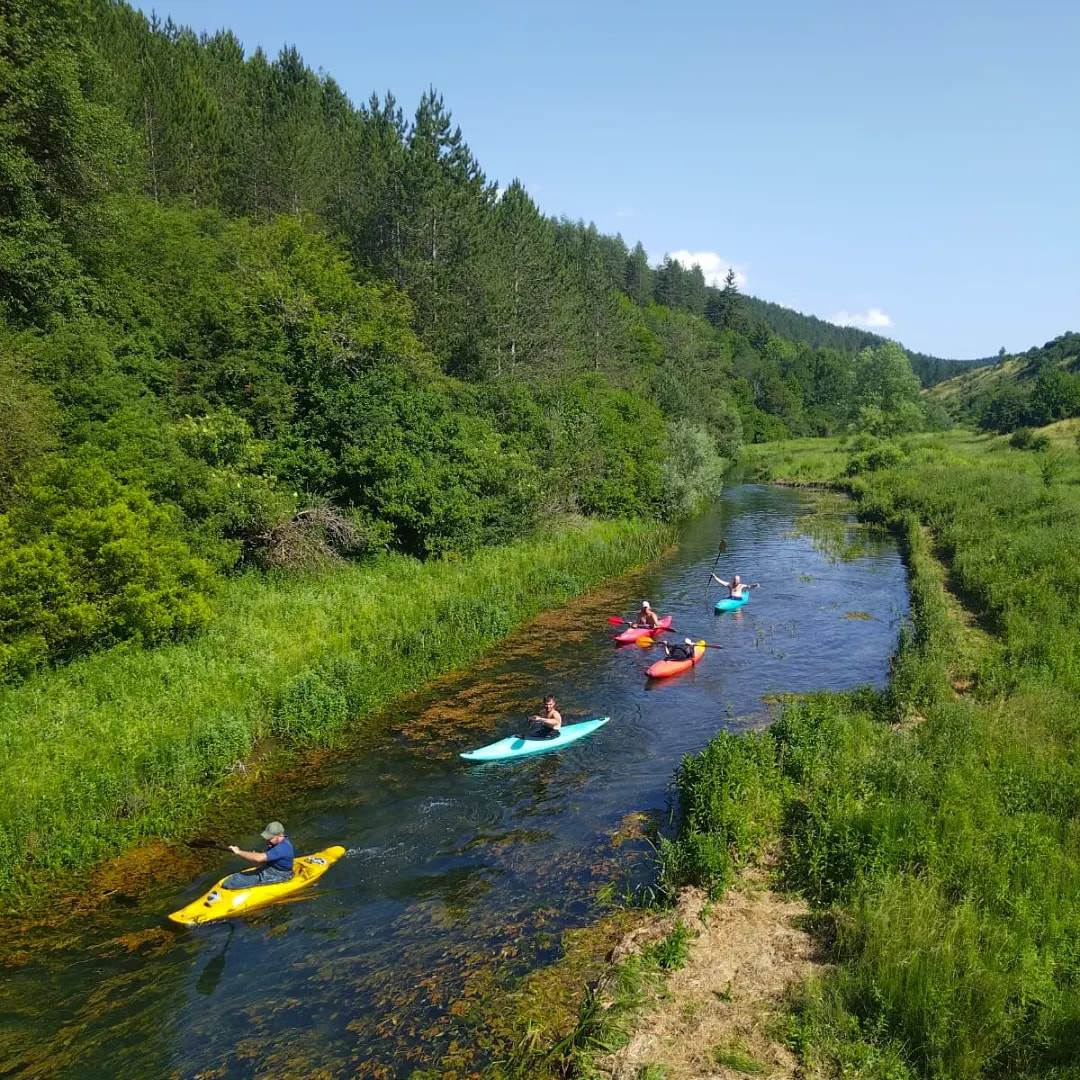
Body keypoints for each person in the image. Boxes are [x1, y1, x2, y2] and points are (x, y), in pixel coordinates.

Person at [223, 822, 295, 889]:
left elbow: (258, 858)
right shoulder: (273, 844)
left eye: (269, 838)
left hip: (279, 875)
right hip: (269, 869)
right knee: (234, 878)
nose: (267, 840)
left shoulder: (283, 847)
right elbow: (259, 861)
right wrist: (249, 855)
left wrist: (238, 852)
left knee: (231, 883)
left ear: (279, 836)